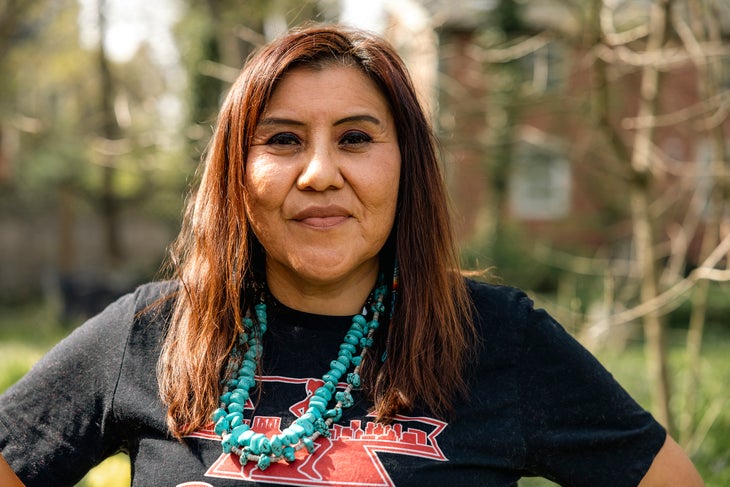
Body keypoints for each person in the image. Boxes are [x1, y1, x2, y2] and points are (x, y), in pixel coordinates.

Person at [0, 24, 703, 487]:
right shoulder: (148, 330)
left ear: (407, 166)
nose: (318, 172)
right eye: (281, 139)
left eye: (357, 138)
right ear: (237, 174)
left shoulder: (500, 339)